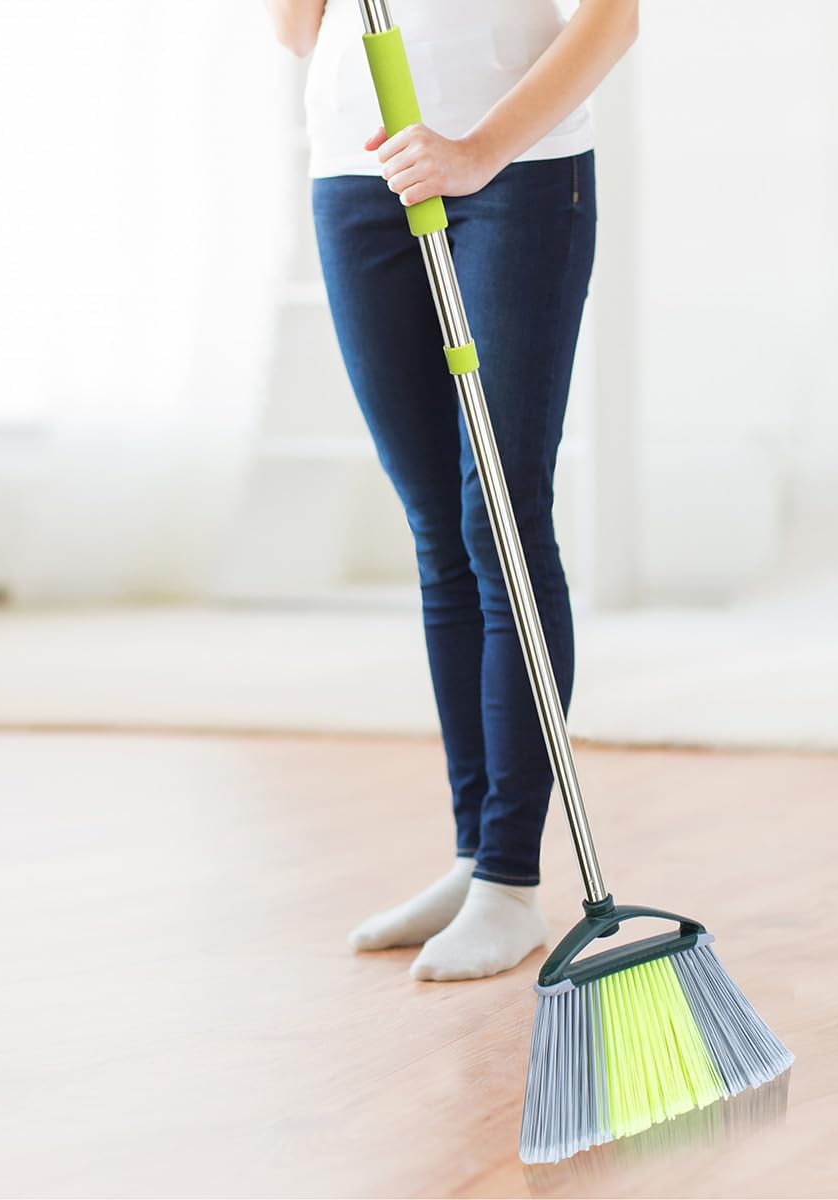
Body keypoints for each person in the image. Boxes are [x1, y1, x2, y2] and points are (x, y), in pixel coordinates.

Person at [266, 0, 640, 980]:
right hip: (358, 168)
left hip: (518, 172)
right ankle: (476, 855)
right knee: (439, 527)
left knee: (500, 519)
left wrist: (476, 152)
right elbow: (298, 31)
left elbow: (613, 19)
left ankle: (511, 882)